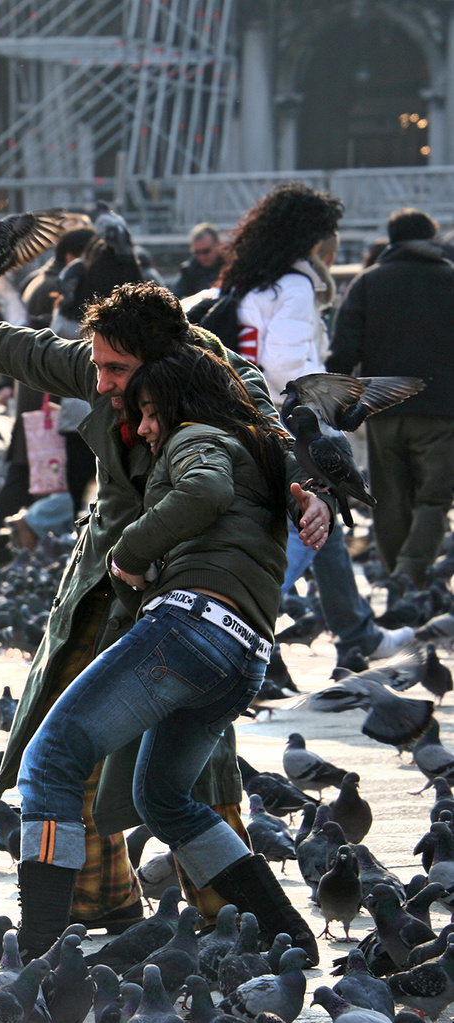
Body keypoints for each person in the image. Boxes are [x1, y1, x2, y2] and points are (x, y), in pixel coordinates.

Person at [0, 281, 333, 954]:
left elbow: (260, 454)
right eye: (97, 366)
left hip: (176, 604)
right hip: (161, 610)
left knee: (58, 759)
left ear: (158, 368)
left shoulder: (215, 398)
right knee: (155, 787)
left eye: (116, 373)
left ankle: (55, 948)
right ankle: (261, 929)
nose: (101, 383)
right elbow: (32, 351)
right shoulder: (117, 372)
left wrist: (310, 492)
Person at [11, 344, 317, 961]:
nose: (143, 425)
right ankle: (287, 934)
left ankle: (38, 953)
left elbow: (203, 490)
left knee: (48, 762)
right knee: (164, 799)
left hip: (190, 630)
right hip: (245, 657)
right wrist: (317, 500)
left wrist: (127, 550)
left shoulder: (195, 436)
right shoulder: (258, 446)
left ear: (180, 406)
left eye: (151, 412)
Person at [220, 182, 411, 672]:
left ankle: (357, 631)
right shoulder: (298, 284)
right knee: (309, 523)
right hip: (293, 423)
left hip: (247, 414)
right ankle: (239, 623)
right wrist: (333, 398)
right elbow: (285, 364)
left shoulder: (250, 282)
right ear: (313, 238)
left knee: (326, 523)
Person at [326, 208, 454, 587]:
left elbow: (343, 350)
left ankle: (401, 581)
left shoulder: (368, 283)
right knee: (434, 496)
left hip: (382, 408)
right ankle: (411, 572)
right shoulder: (451, 280)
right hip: (442, 410)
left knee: (389, 499)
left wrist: (333, 401)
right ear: (431, 237)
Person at [174, 223, 224, 298]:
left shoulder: (232, 267)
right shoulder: (189, 271)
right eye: (197, 253)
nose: (202, 257)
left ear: (219, 244)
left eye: (206, 251)